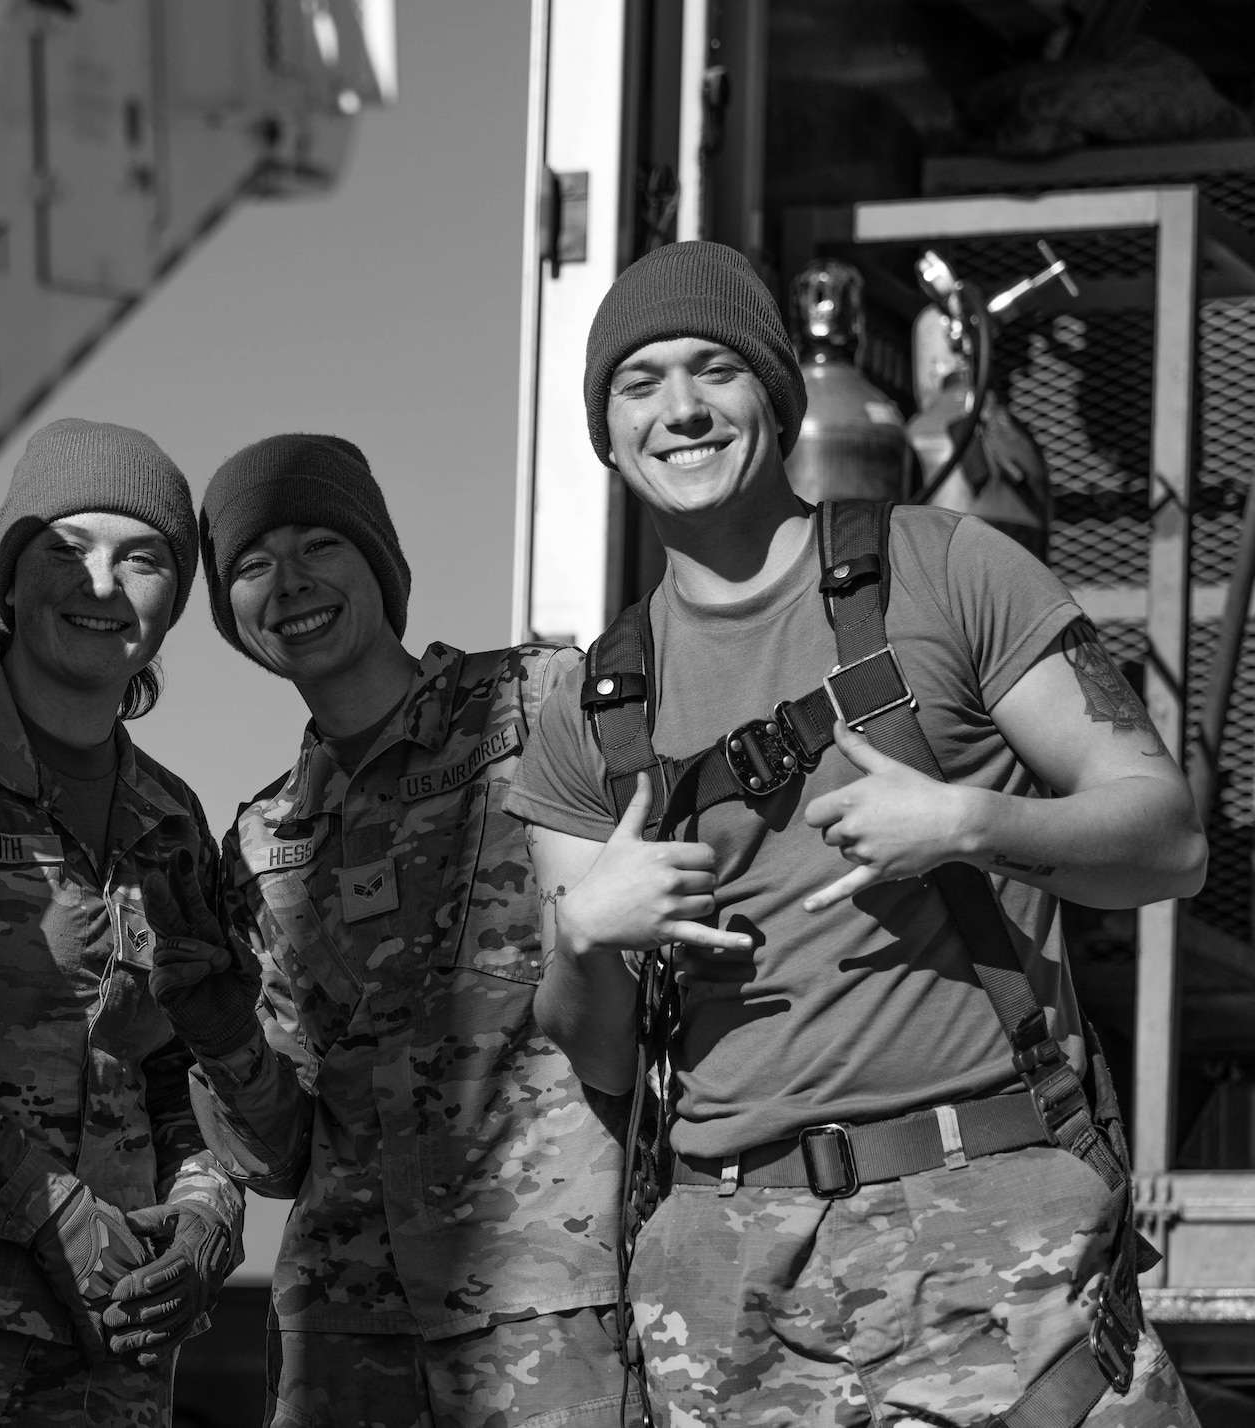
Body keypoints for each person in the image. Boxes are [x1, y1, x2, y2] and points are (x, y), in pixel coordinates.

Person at [507, 239, 1206, 1424]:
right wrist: (585, 936)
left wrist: (966, 822)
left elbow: (1168, 842)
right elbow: (602, 1058)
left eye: (714, 370)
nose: (680, 410)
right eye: (639, 384)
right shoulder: (589, 711)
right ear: (606, 433)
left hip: (993, 1232)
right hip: (728, 1281)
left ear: (776, 399)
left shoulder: (949, 569)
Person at [149, 433, 631, 1427]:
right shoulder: (260, 840)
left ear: (379, 561)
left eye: (318, 544)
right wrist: (219, 1030)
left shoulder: (540, 700)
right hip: (344, 1333)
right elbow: (278, 1158)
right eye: (251, 565)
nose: (289, 582)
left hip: (551, 1303)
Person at [0, 418, 245, 1428]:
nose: (101, 583)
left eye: (142, 558)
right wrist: (48, 1205)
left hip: (119, 1339)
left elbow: (186, 1063)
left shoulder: (171, 817)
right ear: (7, 581)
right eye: (66, 549)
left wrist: (204, 1211)